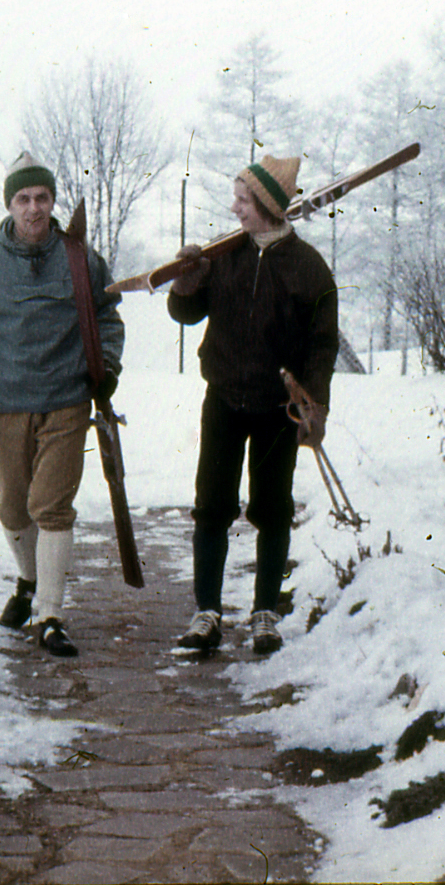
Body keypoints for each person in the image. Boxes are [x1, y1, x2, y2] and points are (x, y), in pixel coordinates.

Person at [0, 151, 123, 658]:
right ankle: (29, 580)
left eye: (42, 197)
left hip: (66, 399)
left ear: (53, 201)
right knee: (14, 507)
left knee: (50, 506)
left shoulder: (81, 259)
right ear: (10, 205)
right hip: (8, 402)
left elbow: (108, 317)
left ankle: (50, 615)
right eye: (23, 199)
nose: (34, 208)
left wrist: (107, 366)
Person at [167, 153, 337, 655]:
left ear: (267, 205)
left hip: (278, 408)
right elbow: (184, 313)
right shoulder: (225, 255)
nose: (235, 208)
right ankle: (207, 613)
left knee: (273, 508)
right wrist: (187, 280)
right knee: (212, 506)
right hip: (223, 399)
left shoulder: (308, 268)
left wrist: (315, 404)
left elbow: (323, 344)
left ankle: (265, 612)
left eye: (243, 200)